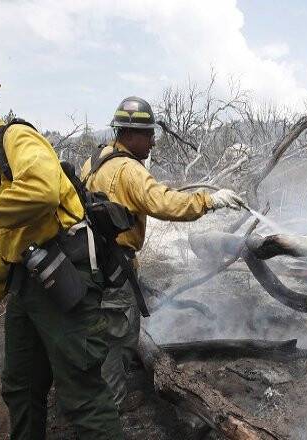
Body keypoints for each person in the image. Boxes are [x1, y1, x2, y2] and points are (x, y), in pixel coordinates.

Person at [0, 58, 123, 439]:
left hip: (64, 279)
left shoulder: (15, 139)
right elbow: (11, 242)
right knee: (20, 388)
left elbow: (42, 191)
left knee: (81, 394)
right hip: (27, 285)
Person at [80, 95, 246, 409]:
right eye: (148, 134)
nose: (154, 141)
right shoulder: (128, 170)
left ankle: (96, 401)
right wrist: (210, 201)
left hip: (92, 270)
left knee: (99, 342)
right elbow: (164, 202)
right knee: (116, 346)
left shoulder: (95, 161)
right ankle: (105, 419)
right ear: (129, 134)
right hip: (115, 275)